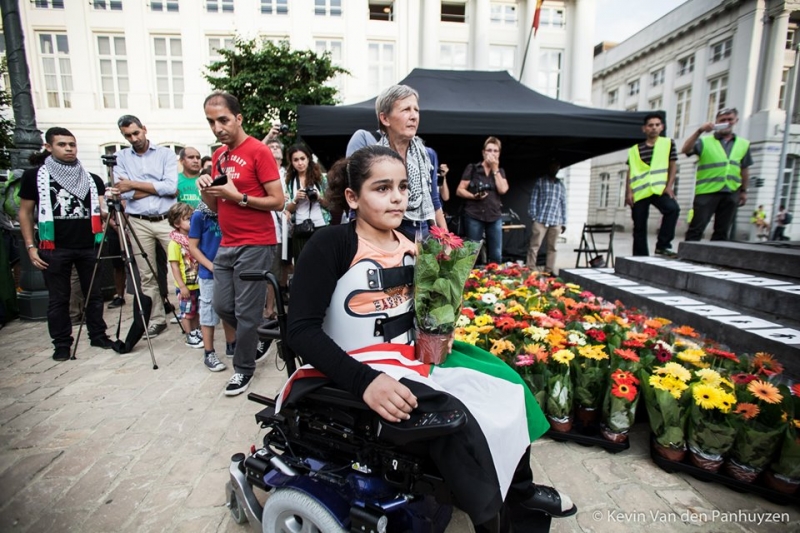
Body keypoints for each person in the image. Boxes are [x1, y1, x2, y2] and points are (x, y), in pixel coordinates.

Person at [286, 145, 575, 532]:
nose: (397, 197)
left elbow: (419, 306)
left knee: (507, 382)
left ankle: (518, 490)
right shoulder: (331, 244)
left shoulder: (410, 242)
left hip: (410, 354)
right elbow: (300, 331)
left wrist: (439, 330)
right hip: (353, 366)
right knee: (458, 416)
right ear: (353, 197)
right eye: (382, 188)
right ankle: (497, 520)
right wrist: (365, 382)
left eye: (403, 187)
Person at [197, 91, 284, 396]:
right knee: (222, 305)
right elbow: (215, 205)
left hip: (256, 243)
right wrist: (205, 188)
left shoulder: (258, 151)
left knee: (246, 313)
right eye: (211, 121)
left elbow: (278, 201)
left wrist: (240, 197)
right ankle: (260, 332)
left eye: (222, 120)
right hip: (227, 242)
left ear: (238, 118)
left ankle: (243, 369)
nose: (217, 127)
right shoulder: (220, 155)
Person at [18, 127, 114, 361]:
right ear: (49, 147)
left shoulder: (92, 179)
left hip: (89, 244)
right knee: (58, 299)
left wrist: (109, 207)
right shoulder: (35, 176)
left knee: (93, 294)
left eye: (72, 144)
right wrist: (31, 246)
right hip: (54, 246)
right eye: (62, 144)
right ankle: (61, 343)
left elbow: (101, 210)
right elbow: (25, 213)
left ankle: (98, 335)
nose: (69, 148)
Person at [345, 85, 447, 240]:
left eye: (416, 110)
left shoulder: (428, 155)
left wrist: (446, 239)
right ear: (385, 118)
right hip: (384, 236)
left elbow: (434, 201)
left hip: (423, 238)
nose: (414, 116)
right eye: (406, 110)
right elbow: (359, 202)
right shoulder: (371, 153)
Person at [108, 115, 178, 338]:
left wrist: (134, 184)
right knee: (147, 274)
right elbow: (123, 192)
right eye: (128, 135)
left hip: (167, 219)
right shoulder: (119, 157)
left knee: (184, 267)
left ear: (144, 129)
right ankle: (157, 319)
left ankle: (190, 315)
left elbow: (171, 188)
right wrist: (152, 187)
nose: (133, 138)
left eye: (136, 133)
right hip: (138, 220)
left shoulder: (165, 154)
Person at [681, 108, 752, 241]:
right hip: (706, 192)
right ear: (716, 122)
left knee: (723, 231)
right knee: (696, 228)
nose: (726, 122)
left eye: (730, 119)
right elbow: (685, 149)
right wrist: (700, 131)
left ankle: (715, 259)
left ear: (736, 121)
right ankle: (688, 256)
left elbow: (744, 169)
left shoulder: (743, 144)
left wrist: (743, 191)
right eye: (722, 120)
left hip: (731, 191)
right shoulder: (705, 141)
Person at [625, 113, 680, 256]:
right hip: (640, 191)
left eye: (657, 125)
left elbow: (673, 166)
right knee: (639, 226)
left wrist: (669, 186)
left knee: (672, 209)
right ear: (644, 129)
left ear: (661, 127)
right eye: (650, 125)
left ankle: (663, 245)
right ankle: (640, 255)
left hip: (659, 189)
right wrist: (629, 192)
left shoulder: (668, 143)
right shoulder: (634, 150)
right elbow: (630, 171)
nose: (654, 128)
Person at [188, 200, 233, 371]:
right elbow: (193, 247)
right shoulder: (200, 216)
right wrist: (211, 266)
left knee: (227, 307)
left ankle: (232, 344)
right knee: (208, 310)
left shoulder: (227, 210)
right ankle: (209, 352)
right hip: (209, 272)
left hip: (229, 268)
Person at [456, 137, 510, 264]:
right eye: (489, 150)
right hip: (474, 215)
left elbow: (503, 190)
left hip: (494, 216)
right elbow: (459, 190)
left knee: (496, 254)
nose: (492, 153)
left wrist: (495, 168)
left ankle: (494, 281)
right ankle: (470, 281)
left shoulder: (500, 171)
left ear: (499, 153)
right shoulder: (473, 168)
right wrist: (473, 196)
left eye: (495, 151)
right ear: (483, 152)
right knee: (472, 253)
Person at [284, 144, 330, 264]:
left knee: (322, 262)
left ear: (308, 159)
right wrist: (295, 199)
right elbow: (287, 208)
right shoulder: (290, 181)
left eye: (302, 159)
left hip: (320, 225)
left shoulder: (320, 179)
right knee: (302, 263)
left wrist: (318, 197)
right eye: (296, 160)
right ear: (291, 162)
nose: (300, 163)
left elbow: (330, 204)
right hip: (300, 227)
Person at [167, 202, 202, 349]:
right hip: (185, 285)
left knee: (196, 311)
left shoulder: (194, 239)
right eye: (187, 219)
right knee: (187, 312)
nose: (191, 222)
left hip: (197, 282)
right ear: (177, 223)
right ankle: (189, 335)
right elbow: (174, 266)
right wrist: (181, 286)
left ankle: (196, 331)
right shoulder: (175, 244)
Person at [526, 158, 567, 274]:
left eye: (557, 166)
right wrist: (534, 217)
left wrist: (564, 222)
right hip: (540, 220)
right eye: (553, 165)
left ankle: (549, 271)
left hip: (556, 220)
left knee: (553, 248)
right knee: (534, 246)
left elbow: (563, 204)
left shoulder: (561, 185)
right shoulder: (540, 181)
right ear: (549, 167)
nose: (555, 168)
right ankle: (530, 270)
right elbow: (533, 200)